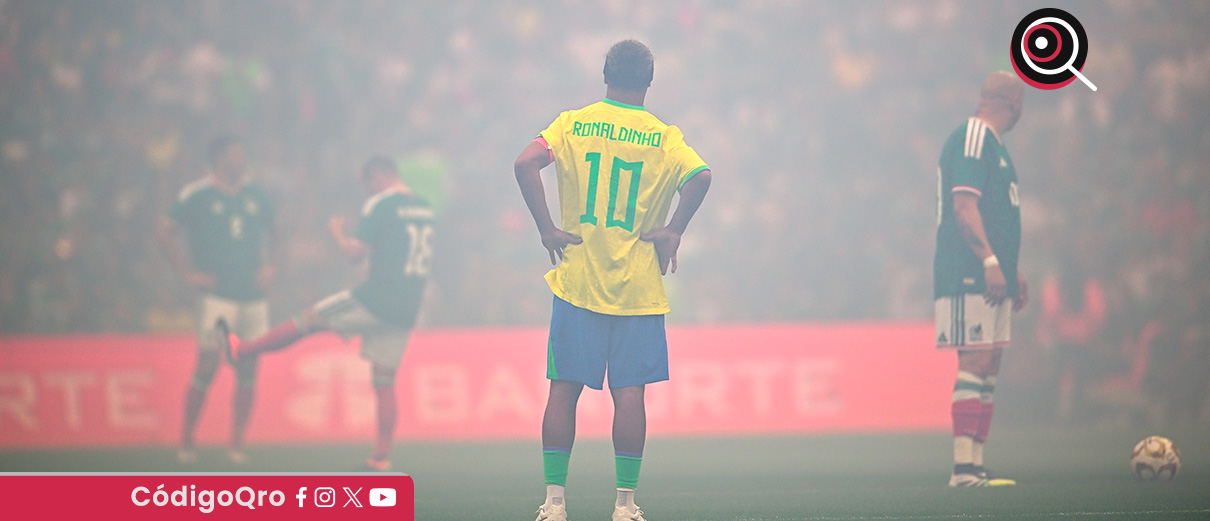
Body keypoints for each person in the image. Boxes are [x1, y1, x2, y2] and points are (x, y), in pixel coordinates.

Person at [514, 40, 712, 521]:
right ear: (649, 82)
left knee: (563, 390)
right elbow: (701, 176)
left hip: (578, 282)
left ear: (605, 75)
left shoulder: (572, 124)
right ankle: (625, 505)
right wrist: (673, 230)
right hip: (638, 290)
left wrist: (546, 229)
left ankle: (554, 503)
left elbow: (524, 163)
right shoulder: (664, 137)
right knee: (630, 394)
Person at [221, 156, 434, 471]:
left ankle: (243, 350)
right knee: (385, 379)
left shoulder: (381, 204)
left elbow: (353, 254)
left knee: (310, 318)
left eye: (366, 185)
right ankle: (381, 456)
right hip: (408, 304)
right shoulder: (424, 206)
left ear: (375, 177)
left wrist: (336, 232)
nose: (366, 192)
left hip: (376, 297)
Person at [157, 136, 277, 464]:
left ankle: (236, 444)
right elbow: (164, 230)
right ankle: (186, 441)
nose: (242, 160)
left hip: (254, 298)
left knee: (249, 367)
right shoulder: (197, 195)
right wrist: (186, 272)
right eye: (236, 155)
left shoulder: (256, 194)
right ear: (220, 159)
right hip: (218, 296)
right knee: (208, 364)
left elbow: (277, 229)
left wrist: (271, 264)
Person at [933, 71, 1027, 487]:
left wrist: (1010, 267)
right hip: (968, 269)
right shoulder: (974, 136)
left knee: (989, 364)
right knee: (974, 360)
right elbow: (964, 206)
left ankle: (975, 464)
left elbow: (996, 215)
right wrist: (989, 261)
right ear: (1013, 102)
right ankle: (962, 470)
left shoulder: (996, 147)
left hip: (992, 271)